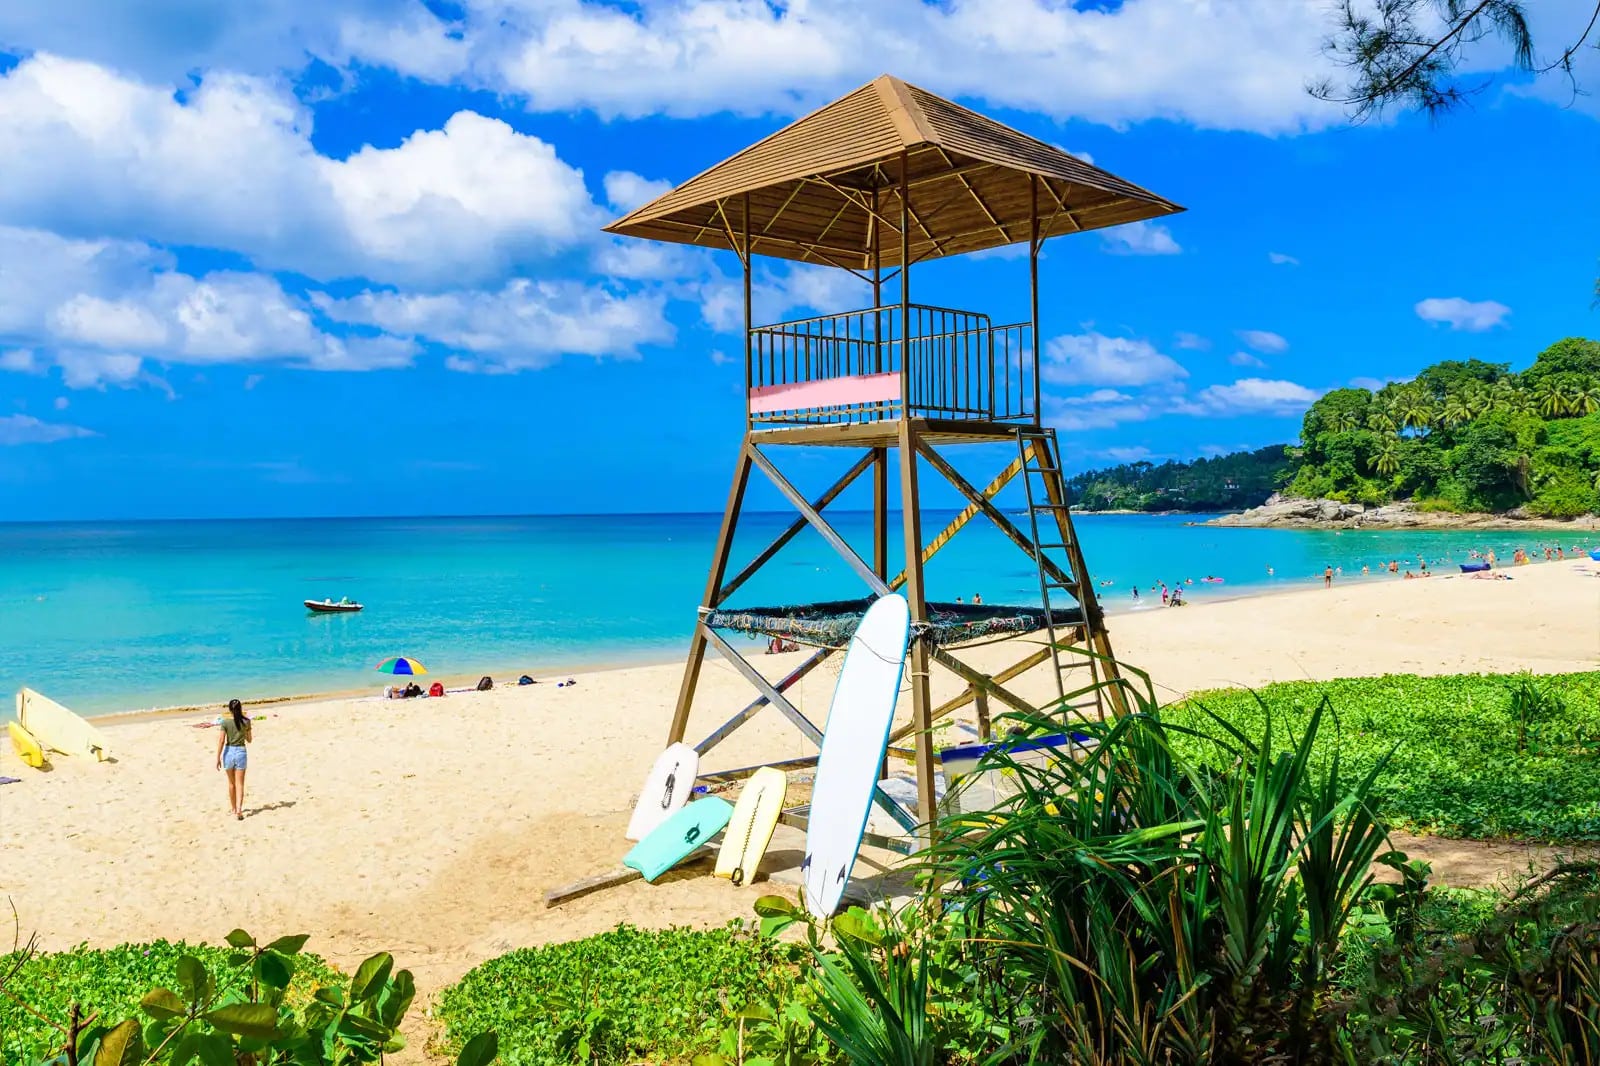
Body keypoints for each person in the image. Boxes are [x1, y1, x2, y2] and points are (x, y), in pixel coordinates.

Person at [215, 698, 252, 821]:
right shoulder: (246, 721)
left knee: (231, 784)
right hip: (241, 752)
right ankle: (239, 810)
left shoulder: (225, 722)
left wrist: (218, 758)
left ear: (230, 709)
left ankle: (233, 809)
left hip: (228, 752)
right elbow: (249, 739)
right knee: (240, 784)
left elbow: (221, 741)